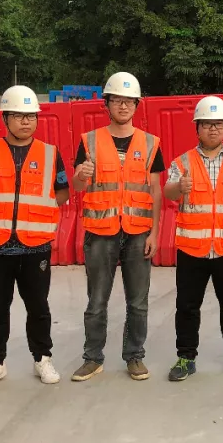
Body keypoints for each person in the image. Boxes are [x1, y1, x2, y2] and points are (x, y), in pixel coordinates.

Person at [0, 86, 70, 390]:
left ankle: (42, 358)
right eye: (19, 116)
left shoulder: (50, 153)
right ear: (5, 118)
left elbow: (62, 191)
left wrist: (44, 208)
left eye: (31, 116)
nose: (26, 121)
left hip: (36, 247)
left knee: (38, 307)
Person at [71, 72, 164, 382]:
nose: (123, 106)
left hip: (138, 232)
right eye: (117, 100)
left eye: (129, 101)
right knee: (97, 302)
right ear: (107, 104)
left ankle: (134, 356)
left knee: (138, 302)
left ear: (137, 105)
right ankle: (92, 358)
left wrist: (154, 232)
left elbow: (155, 190)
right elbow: (77, 185)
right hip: (100, 232)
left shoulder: (150, 143)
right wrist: (82, 175)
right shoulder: (89, 141)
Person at [163, 97, 223, 381]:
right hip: (192, 249)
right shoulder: (182, 163)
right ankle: (185, 357)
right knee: (187, 307)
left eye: (218, 124)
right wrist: (179, 187)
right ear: (197, 128)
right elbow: (168, 193)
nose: (213, 129)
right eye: (206, 124)